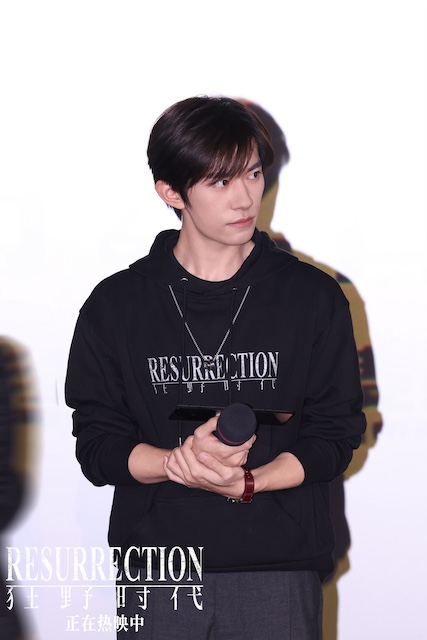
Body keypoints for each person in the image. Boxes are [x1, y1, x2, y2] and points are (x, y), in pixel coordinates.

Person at [65, 96, 366, 639]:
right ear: (171, 192)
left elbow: (335, 434)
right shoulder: (116, 305)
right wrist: (176, 463)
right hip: (159, 571)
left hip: (277, 565)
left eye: (253, 172)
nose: (246, 197)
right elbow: (97, 444)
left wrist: (249, 482)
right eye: (220, 181)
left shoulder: (312, 297)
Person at [238, 100, 382, 640]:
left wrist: (273, 466)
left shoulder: (323, 292)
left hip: (287, 552)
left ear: (265, 176)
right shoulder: (143, 295)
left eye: (247, 171)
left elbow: (359, 420)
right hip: (174, 561)